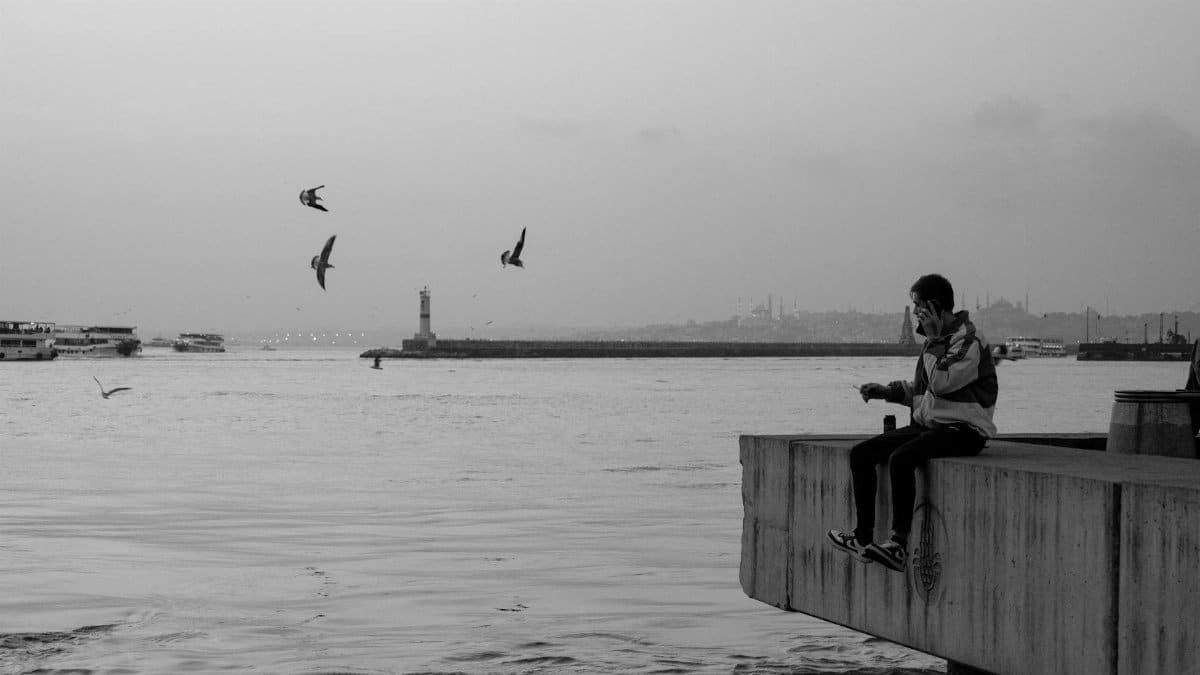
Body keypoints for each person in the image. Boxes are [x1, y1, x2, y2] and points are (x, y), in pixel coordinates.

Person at [827, 273, 998, 572]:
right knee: (861, 454)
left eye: (919, 305)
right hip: (932, 425)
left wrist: (933, 340)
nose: (916, 312)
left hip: (965, 430)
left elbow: (943, 383)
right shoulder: (938, 343)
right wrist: (887, 392)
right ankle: (862, 537)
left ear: (935, 307)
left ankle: (898, 545)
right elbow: (925, 390)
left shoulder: (968, 341)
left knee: (901, 459)